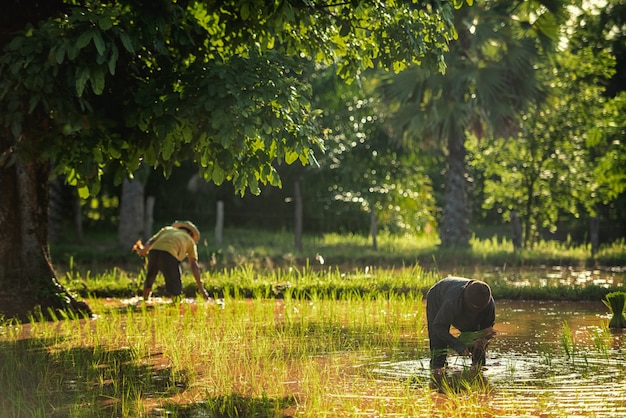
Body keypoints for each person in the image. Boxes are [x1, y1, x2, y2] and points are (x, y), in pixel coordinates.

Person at [426, 277, 495, 373]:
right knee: (438, 351)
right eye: (473, 310)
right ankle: (437, 377)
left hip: (463, 308)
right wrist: (458, 346)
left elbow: (487, 330)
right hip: (438, 298)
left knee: (478, 348)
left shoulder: (488, 304)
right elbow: (438, 327)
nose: (474, 313)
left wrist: (483, 341)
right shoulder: (452, 301)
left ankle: (478, 377)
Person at [133, 220, 209, 301]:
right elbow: (194, 265)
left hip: (153, 252)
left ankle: (145, 299)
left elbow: (151, 241)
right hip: (169, 255)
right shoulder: (190, 241)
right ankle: (176, 302)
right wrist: (201, 289)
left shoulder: (167, 230)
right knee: (175, 282)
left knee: (150, 276)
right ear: (191, 234)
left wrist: (143, 250)